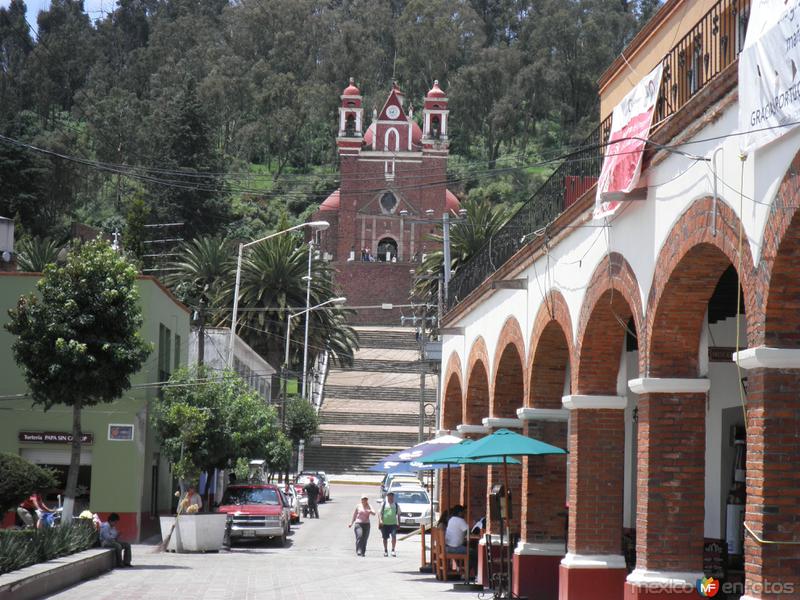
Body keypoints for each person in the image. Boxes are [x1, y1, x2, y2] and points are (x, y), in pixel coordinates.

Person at [444, 505, 477, 570]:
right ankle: (469, 573)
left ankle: (462, 570)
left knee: (468, 549)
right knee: (474, 553)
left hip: (448, 547)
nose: (464, 514)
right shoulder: (460, 520)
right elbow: (468, 531)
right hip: (455, 548)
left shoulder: (451, 519)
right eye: (463, 512)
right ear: (459, 513)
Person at [378, 491, 400, 557]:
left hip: (393, 524)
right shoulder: (384, 504)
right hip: (385, 524)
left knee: (394, 536)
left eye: (392, 496)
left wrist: (399, 522)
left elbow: (399, 514)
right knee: (385, 538)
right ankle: (385, 550)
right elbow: (379, 513)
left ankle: (393, 550)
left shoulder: (396, 504)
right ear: (387, 496)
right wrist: (380, 521)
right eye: (389, 495)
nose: (391, 497)